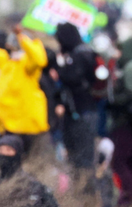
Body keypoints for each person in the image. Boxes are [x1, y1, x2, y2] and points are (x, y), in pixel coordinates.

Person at [0, 20, 48, 154]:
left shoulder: (28, 66)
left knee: (28, 158)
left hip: (27, 125)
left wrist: (22, 37)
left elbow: (39, 58)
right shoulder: (5, 63)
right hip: (7, 124)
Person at [55, 23, 98, 178]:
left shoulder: (79, 55)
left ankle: (86, 195)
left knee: (83, 158)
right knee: (76, 156)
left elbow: (73, 78)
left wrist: (60, 69)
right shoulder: (82, 53)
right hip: (78, 111)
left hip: (81, 111)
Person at [107, 37, 132, 207]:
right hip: (131, 123)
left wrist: (114, 99)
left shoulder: (131, 67)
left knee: (119, 160)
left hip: (126, 123)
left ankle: (128, 198)